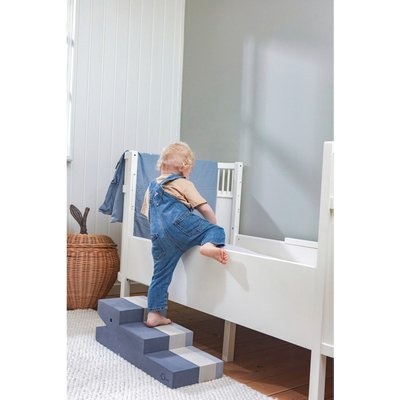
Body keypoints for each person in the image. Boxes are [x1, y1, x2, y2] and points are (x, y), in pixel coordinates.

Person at [141, 142, 229, 327]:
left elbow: (148, 215)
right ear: (185, 168)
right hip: (181, 225)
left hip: (159, 236)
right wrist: (210, 228)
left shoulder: (151, 187)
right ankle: (208, 246)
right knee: (216, 230)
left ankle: (154, 314)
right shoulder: (182, 182)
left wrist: (161, 233)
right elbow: (204, 209)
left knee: (160, 276)